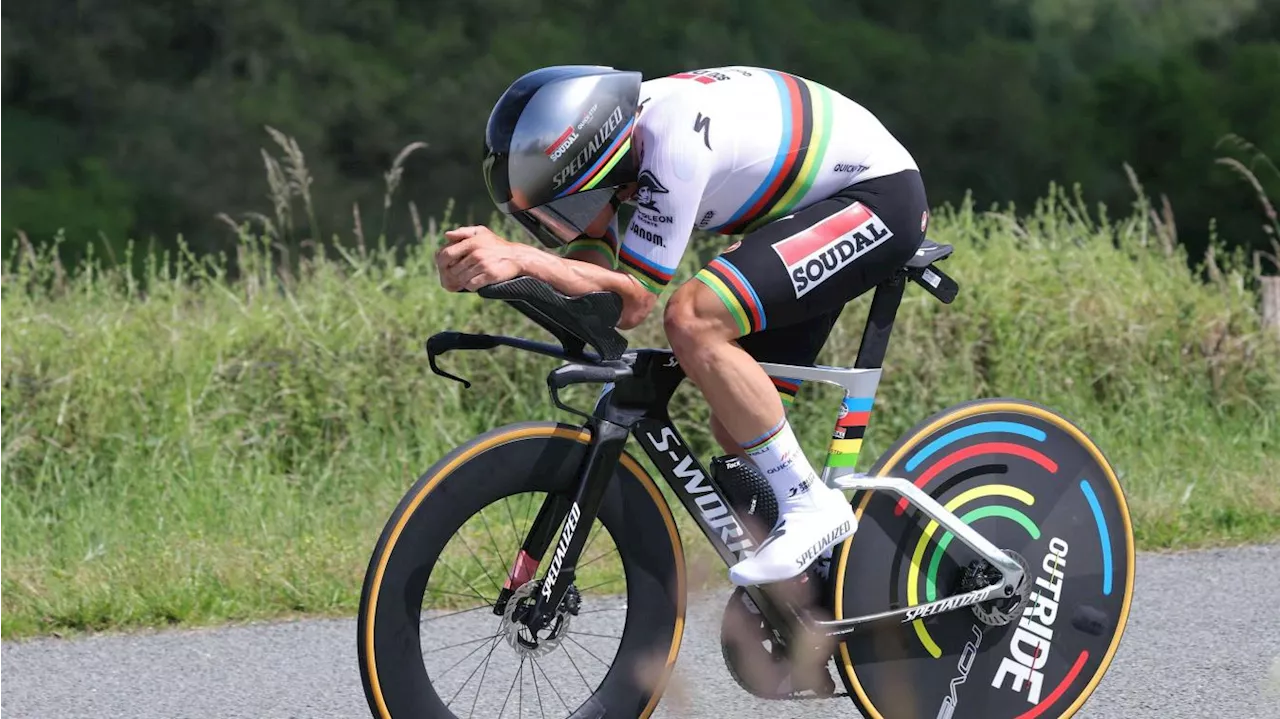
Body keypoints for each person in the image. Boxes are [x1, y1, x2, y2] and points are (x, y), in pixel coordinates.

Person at [436, 65, 928, 586]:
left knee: (692, 317)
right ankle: (819, 594)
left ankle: (813, 506)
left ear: (590, 158)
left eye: (568, 197)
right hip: (803, 211)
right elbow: (597, 283)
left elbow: (634, 304)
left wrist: (521, 258)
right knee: (737, 426)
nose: (571, 214)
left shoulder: (671, 140)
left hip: (876, 198)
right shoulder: (617, 139)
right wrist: (491, 274)